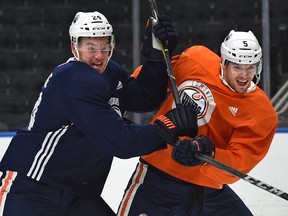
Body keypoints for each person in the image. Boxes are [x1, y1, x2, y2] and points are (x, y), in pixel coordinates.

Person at [0, 11, 198, 216]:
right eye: (91, 48)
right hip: (33, 190)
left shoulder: (110, 73)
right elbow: (121, 142)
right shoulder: (72, 78)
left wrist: (155, 57)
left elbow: (144, 97)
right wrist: (168, 127)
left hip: (79, 197)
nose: (99, 56)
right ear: (74, 47)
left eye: (104, 48)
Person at [117, 30, 278, 216]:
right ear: (223, 62)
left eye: (250, 67)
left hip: (207, 190)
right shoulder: (196, 60)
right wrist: (155, 46)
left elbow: (238, 163)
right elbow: (146, 86)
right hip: (159, 179)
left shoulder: (261, 112)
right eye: (237, 67)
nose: (244, 75)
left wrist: (208, 153)